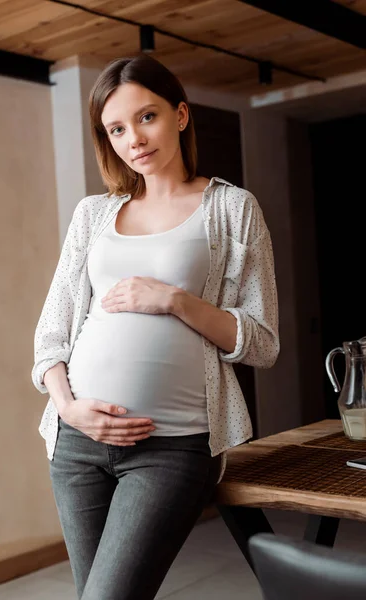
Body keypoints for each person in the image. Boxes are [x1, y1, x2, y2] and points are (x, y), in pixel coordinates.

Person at [31, 54, 279, 600]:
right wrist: (69, 407)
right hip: (76, 442)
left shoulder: (232, 208)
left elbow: (261, 342)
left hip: (172, 446)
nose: (134, 140)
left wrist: (174, 300)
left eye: (147, 117)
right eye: (116, 128)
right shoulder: (92, 215)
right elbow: (50, 333)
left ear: (181, 115)